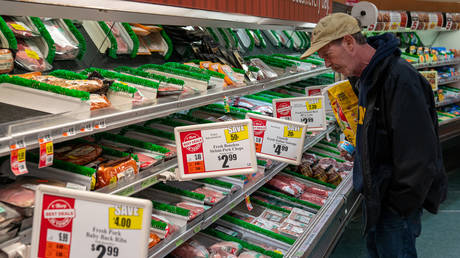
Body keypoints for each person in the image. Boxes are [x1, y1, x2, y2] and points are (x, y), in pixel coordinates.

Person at [301, 13, 447, 257]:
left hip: (393, 205)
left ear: (349, 42)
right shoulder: (366, 79)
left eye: (327, 55)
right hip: (378, 199)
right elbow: (385, 134)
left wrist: (398, 204)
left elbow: (419, 153)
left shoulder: (399, 78)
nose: (327, 64)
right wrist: (362, 152)